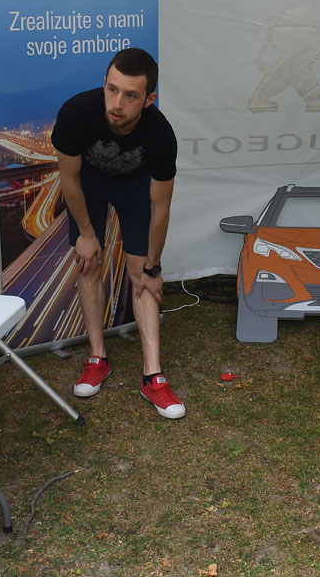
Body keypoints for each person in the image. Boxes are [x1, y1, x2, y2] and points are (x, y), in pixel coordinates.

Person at [51, 48, 185, 419]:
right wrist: (86, 233)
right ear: (104, 84)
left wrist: (154, 267)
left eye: (130, 95)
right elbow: (69, 178)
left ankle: (152, 376)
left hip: (135, 186)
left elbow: (161, 207)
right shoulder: (76, 112)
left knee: (141, 273)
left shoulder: (160, 135)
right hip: (89, 183)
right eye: (112, 90)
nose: (117, 103)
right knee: (89, 261)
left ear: (149, 99)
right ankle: (98, 357)